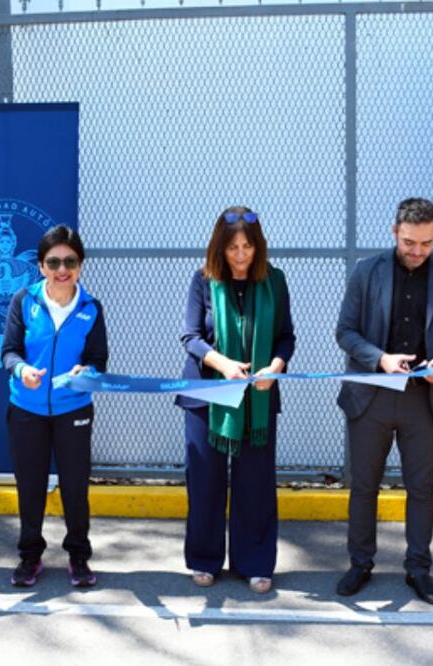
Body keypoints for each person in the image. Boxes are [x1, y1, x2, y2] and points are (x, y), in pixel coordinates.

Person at [334, 197, 433, 605]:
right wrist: (380, 359)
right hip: (371, 397)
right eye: (409, 242)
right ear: (394, 232)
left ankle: (419, 569)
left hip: (423, 400)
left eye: (427, 243)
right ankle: (360, 563)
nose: (417, 251)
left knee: (421, 489)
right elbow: (345, 332)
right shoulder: (366, 272)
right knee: (364, 487)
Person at [176, 206, 294, 594]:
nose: (241, 255)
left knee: (255, 482)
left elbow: (286, 337)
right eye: (232, 248)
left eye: (247, 247)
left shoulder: (275, 281)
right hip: (207, 395)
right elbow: (191, 337)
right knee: (205, 480)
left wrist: (275, 367)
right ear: (219, 248)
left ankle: (254, 562)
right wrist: (224, 364)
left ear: (259, 247)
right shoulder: (203, 280)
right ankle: (204, 558)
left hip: (257, 396)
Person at [1, 225, 108, 588]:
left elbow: (98, 360)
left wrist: (86, 372)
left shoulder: (91, 308)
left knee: (75, 488)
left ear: (81, 265)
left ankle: (78, 555)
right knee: (30, 487)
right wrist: (22, 370)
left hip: (73, 410)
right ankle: (30, 556)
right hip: (26, 409)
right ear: (41, 266)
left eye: (70, 261)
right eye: (54, 262)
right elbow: (9, 352)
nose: (62, 269)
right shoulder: (23, 301)